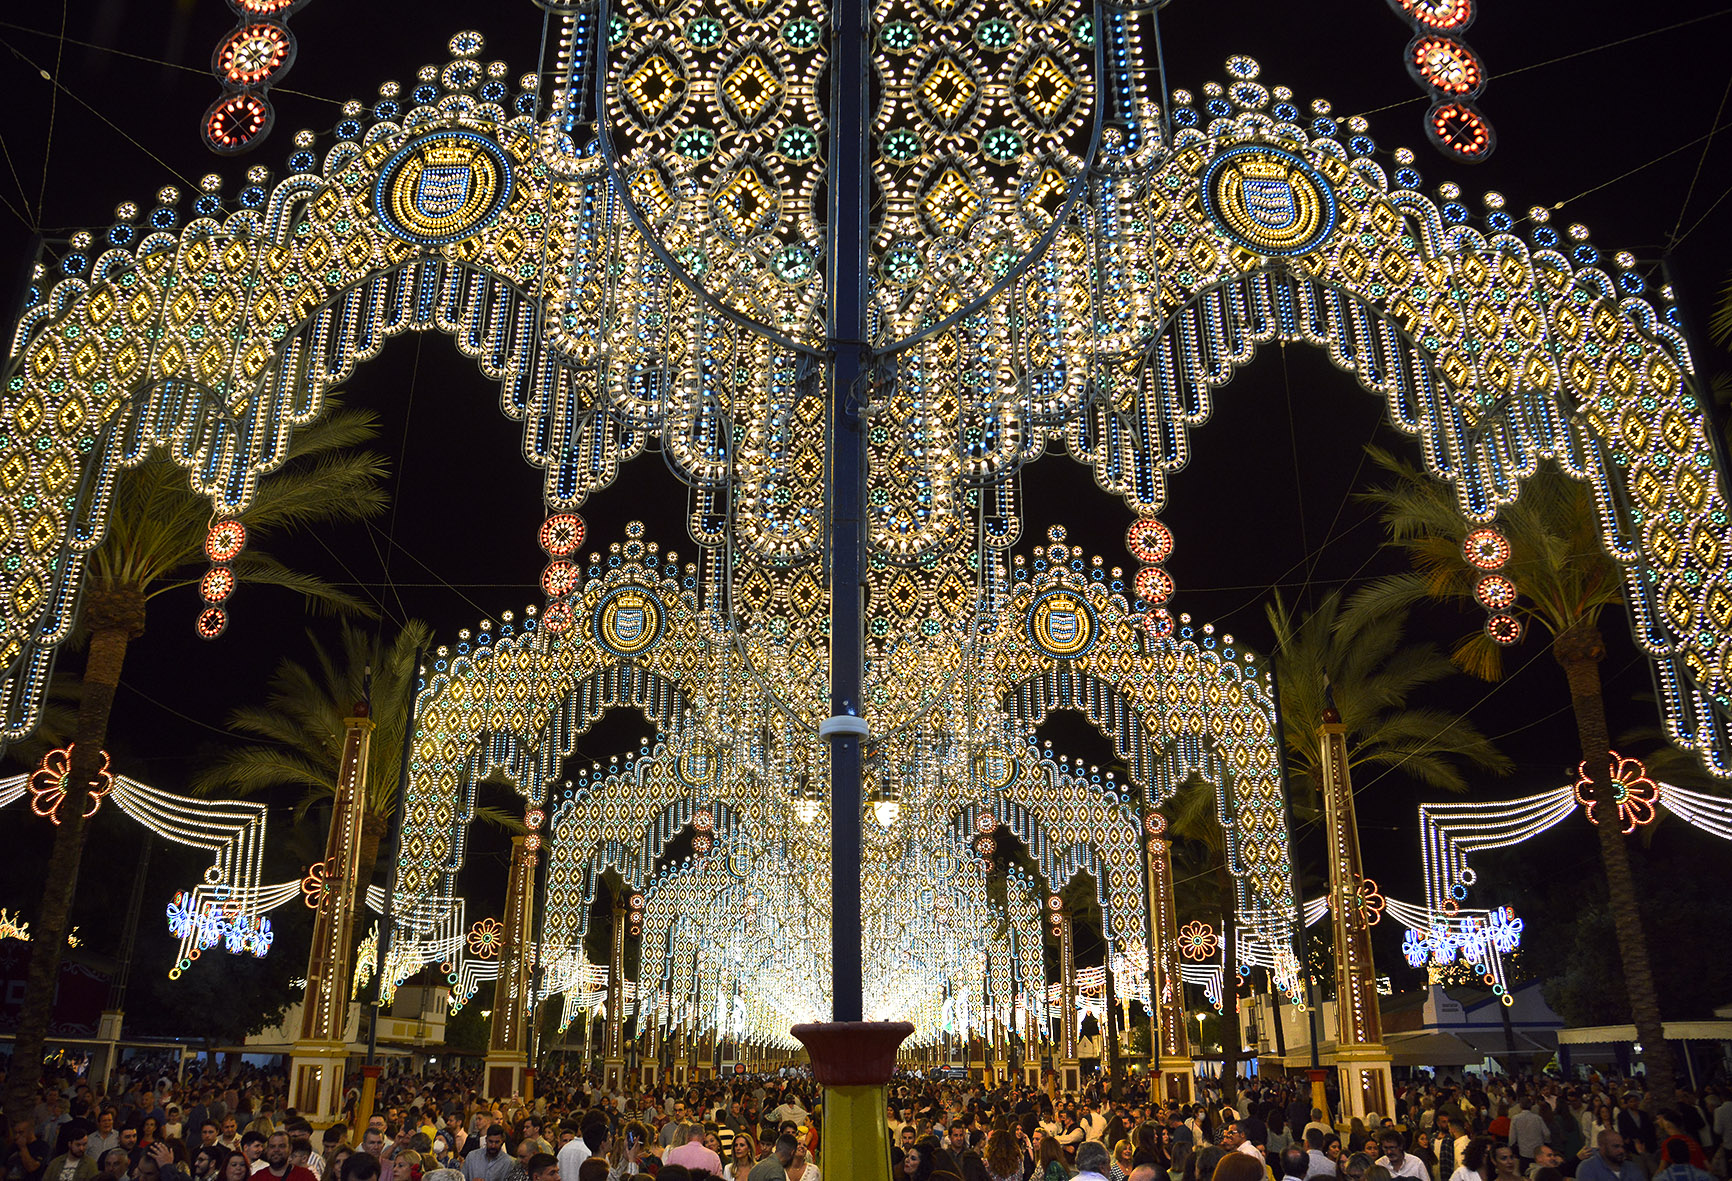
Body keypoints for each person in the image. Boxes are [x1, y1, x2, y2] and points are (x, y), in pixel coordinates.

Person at [1576, 1134, 1642, 1181]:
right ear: (1602, 1147)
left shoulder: (1631, 1167)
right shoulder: (1587, 1167)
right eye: (1616, 1146)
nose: (1621, 1150)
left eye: (1622, 1147)